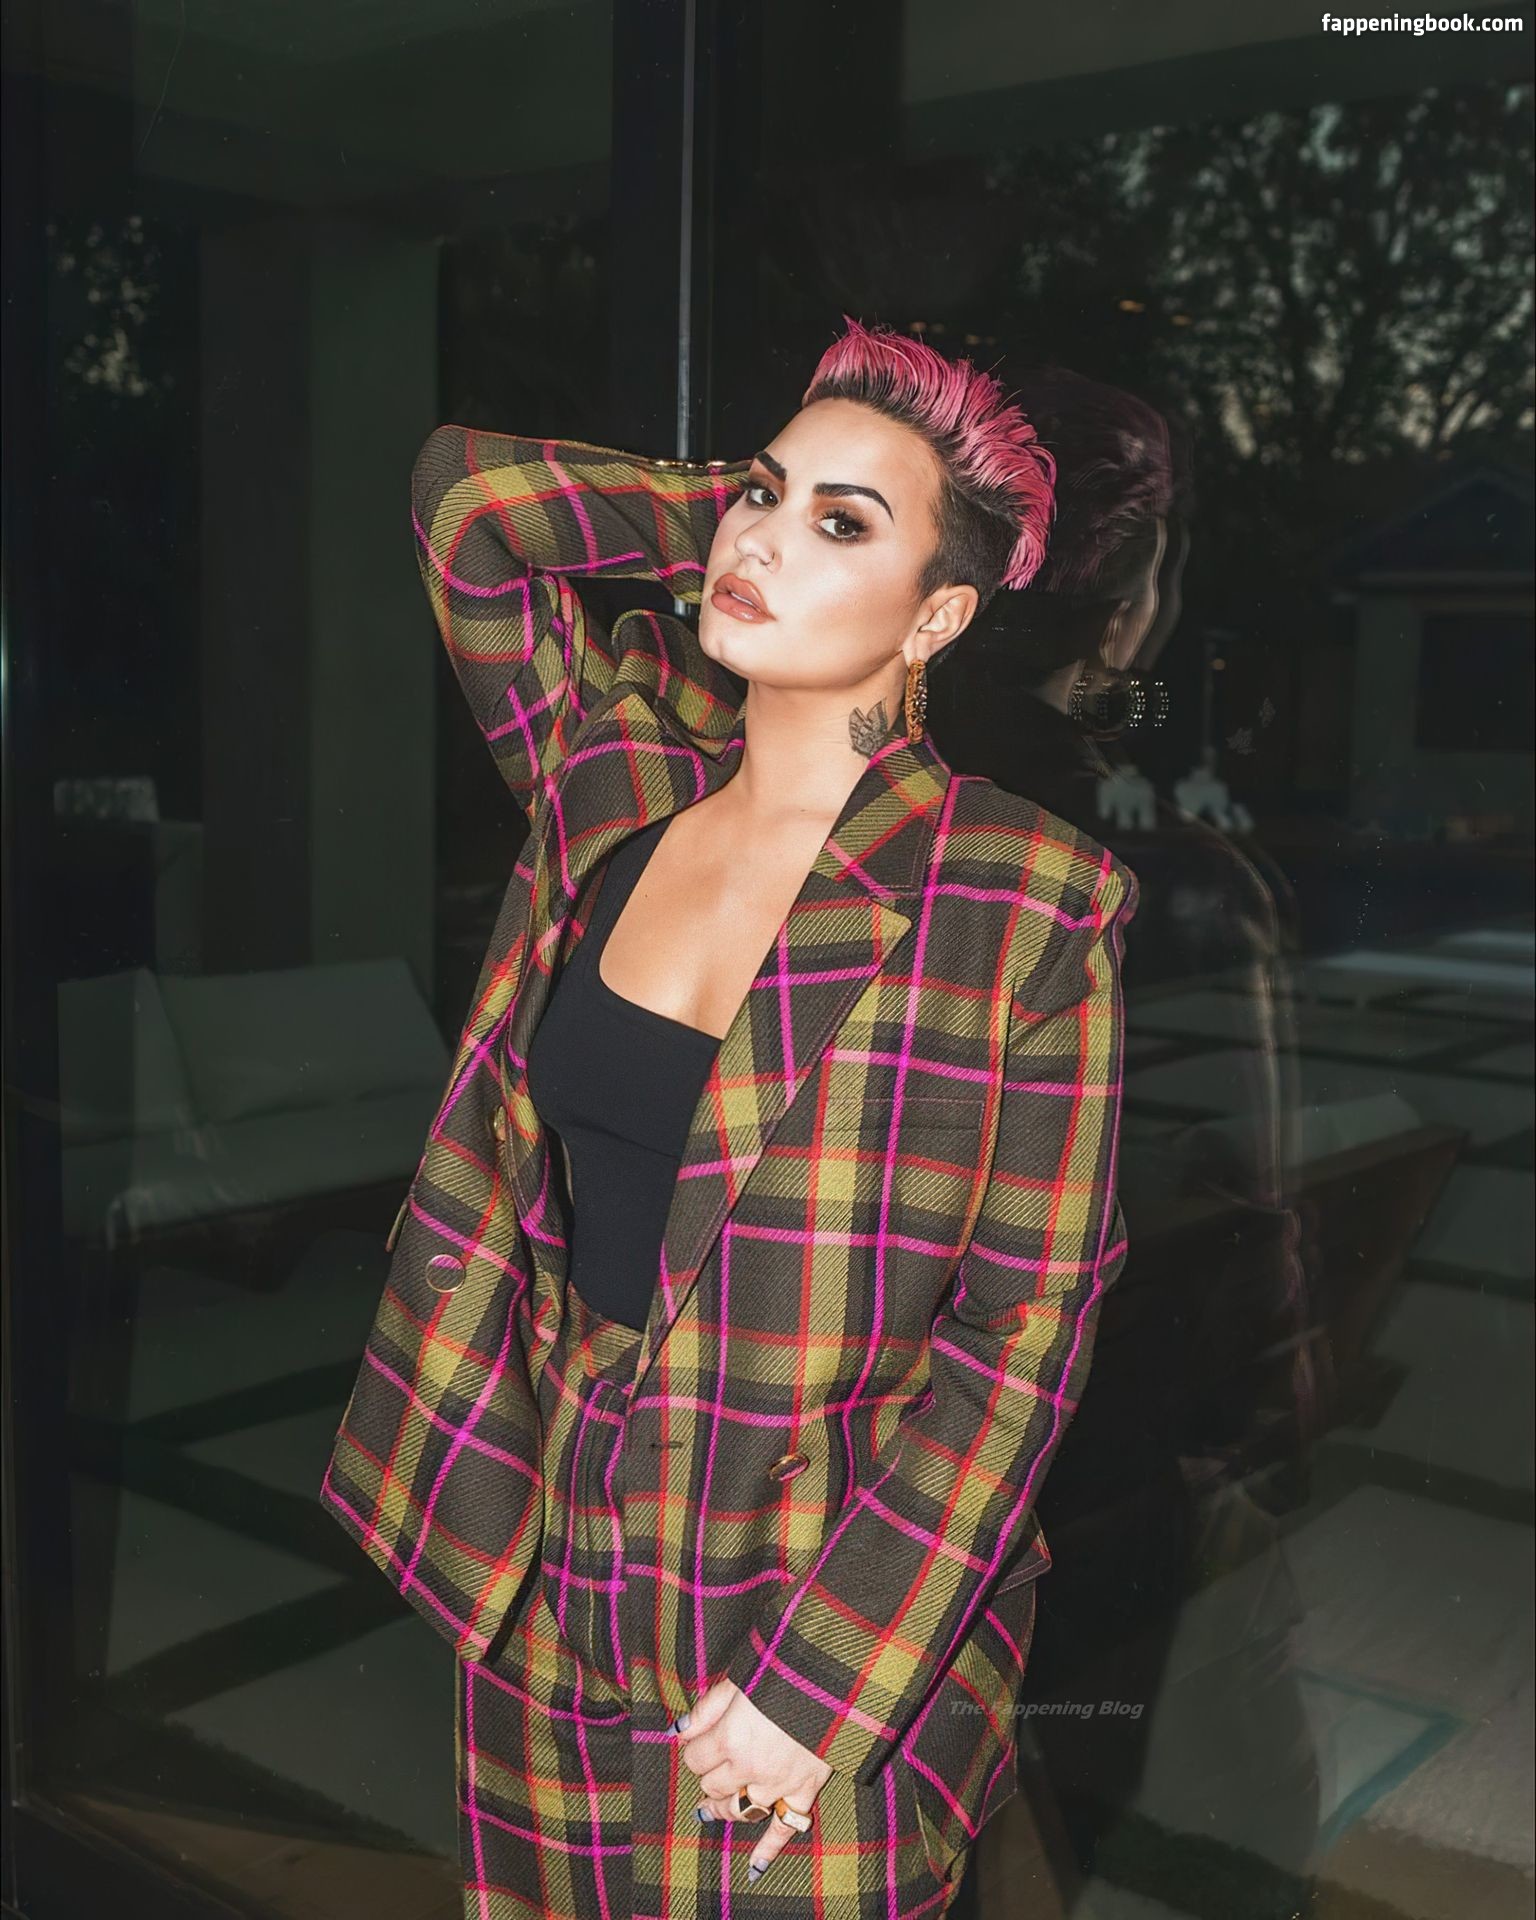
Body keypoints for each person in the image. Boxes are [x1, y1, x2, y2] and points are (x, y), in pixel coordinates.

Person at [320, 317, 1140, 1917]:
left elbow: (1024, 1335)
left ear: (941, 613)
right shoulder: (616, 774)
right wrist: (748, 502)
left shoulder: (1020, 901)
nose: (763, 539)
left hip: (810, 1582)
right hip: (542, 1541)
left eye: (844, 525)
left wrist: (825, 1682)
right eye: (763, 495)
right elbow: (466, 506)